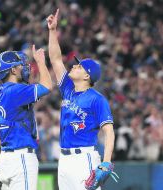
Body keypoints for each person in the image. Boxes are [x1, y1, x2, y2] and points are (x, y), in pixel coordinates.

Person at [47, 9, 117, 190]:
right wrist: (52, 32)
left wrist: (106, 161)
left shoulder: (97, 99)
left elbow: (109, 132)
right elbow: (55, 59)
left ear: (87, 76)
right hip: (64, 159)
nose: (75, 66)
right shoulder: (68, 89)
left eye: (79, 66)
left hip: (84, 158)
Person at [0, 45, 52, 190]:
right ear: (12, 70)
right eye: (20, 65)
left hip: (4, 160)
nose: (24, 67)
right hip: (22, 159)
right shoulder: (16, 90)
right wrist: (41, 62)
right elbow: (47, 86)